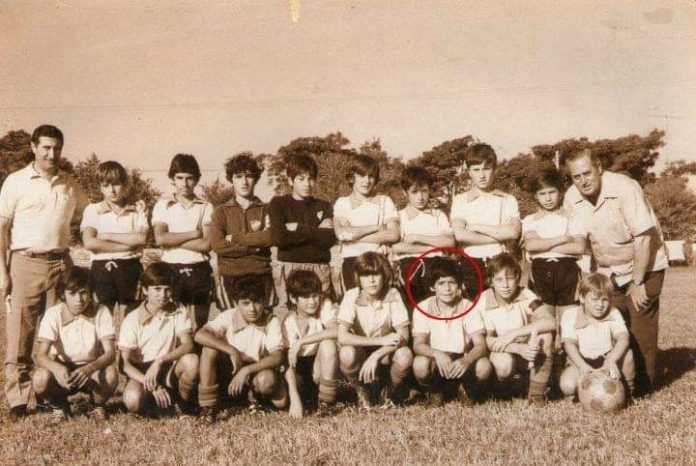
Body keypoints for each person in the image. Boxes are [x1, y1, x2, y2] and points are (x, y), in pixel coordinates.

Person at [0, 124, 88, 419]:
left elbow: (88, 215)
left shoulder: (70, 184)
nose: (52, 154)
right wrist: (3, 274)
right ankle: (18, 400)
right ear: (34, 148)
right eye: (46, 148)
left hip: (61, 264)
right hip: (25, 262)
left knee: (57, 332)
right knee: (21, 333)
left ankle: (50, 394)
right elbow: (2, 228)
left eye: (57, 148)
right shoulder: (16, 181)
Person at [563, 148, 668, 395]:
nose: (583, 181)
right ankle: (607, 383)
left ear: (599, 167)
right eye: (576, 176)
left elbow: (643, 238)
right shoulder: (571, 198)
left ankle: (641, 389)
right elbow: (580, 242)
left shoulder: (625, 187)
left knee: (640, 328)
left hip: (645, 264)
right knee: (611, 323)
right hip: (607, 269)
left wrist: (637, 282)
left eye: (587, 173)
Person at [195, 275, 287, 423]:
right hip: (230, 368)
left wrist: (246, 371)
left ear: (264, 301)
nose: (252, 309)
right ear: (236, 303)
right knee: (209, 349)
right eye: (246, 303)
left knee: (272, 389)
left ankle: (254, 400)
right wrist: (232, 350)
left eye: (257, 302)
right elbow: (200, 335)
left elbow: (277, 357)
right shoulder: (229, 316)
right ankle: (207, 407)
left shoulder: (271, 320)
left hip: (254, 369)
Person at [32, 267, 118, 423]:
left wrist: (89, 368)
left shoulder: (101, 311)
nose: (79, 299)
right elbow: (41, 355)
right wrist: (57, 368)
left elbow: (110, 353)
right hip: (63, 367)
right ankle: (59, 406)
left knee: (111, 374)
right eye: (72, 294)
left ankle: (95, 405)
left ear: (91, 292)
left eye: (84, 293)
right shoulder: (54, 313)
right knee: (40, 378)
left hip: (91, 368)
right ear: (62, 294)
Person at [471, 253, 555, 403]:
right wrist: (516, 348)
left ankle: (536, 395)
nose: (505, 285)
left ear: (518, 278)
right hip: (499, 352)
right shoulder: (482, 300)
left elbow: (550, 321)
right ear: (491, 281)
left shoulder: (526, 294)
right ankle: (500, 389)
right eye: (499, 280)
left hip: (525, 350)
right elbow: (485, 340)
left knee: (546, 336)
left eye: (509, 278)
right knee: (504, 364)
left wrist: (513, 334)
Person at [118, 263, 199, 415]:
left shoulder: (178, 309)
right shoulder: (132, 318)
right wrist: (152, 385)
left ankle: (182, 404)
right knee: (132, 400)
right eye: (157, 289)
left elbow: (188, 345)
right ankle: (152, 401)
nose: (163, 295)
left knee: (192, 361)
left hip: (167, 365)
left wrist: (160, 361)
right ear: (145, 290)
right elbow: (125, 365)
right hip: (142, 370)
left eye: (167, 289)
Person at [337, 252, 413, 409]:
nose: (371, 280)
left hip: (385, 351)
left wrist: (376, 355)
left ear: (384, 275)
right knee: (346, 353)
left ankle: (389, 392)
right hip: (361, 350)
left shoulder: (393, 294)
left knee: (405, 354)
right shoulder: (351, 295)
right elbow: (342, 337)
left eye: (376, 274)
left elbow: (404, 335)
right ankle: (360, 391)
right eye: (365, 275)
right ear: (358, 278)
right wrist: (379, 341)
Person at [411, 258, 492, 406]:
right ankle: (434, 390)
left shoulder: (468, 306)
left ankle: (468, 390)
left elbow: (481, 345)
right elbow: (418, 345)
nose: (447, 289)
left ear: (459, 285)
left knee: (484, 366)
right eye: (441, 283)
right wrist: (437, 354)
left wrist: (467, 360)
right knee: (420, 364)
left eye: (452, 282)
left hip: (462, 359)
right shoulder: (423, 307)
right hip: (437, 359)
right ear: (432, 287)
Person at [521, 168, 586, 350]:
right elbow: (531, 246)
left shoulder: (572, 217)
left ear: (560, 192)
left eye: (552, 192)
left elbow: (579, 248)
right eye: (542, 194)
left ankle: (568, 362)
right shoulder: (530, 219)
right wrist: (563, 238)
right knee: (544, 324)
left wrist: (544, 245)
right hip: (540, 272)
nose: (548, 198)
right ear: (536, 196)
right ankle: (546, 365)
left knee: (569, 324)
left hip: (567, 271)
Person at [81, 161, 148, 323]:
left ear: (125, 184)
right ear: (100, 187)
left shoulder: (137, 208)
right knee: (103, 318)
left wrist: (105, 235)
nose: (112, 190)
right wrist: (128, 245)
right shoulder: (93, 210)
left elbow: (141, 239)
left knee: (131, 318)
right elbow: (89, 243)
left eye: (116, 184)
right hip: (101, 269)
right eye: (106, 185)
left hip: (130, 267)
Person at [450, 144, 521, 300]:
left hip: (501, 263)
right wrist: (499, 235)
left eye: (486, 169)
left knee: (503, 306)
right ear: (469, 172)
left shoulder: (508, 199)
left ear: (494, 169)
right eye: (476, 170)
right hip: (471, 265)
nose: (482, 175)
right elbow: (461, 235)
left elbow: (513, 232)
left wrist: (476, 227)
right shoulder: (460, 200)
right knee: (474, 308)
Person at [152, 154, 213, 330]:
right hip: (170, 268)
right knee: (172, 322)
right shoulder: (163, 205)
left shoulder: (206, 206)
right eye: (179, 178)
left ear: (197, 179)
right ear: (172, 179)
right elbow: (160, 238)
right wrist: (193, 234)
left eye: (189, 178)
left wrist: (172, 239)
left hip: (199, 268)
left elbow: (206, 244)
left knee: (199, 324)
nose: (184, 184)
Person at [268, 154, 337, 311]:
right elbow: (279, 238)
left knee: (321, 312)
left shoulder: (324, 205)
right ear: (290, 180)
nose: (307, 184)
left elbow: (329, 238)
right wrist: (317, 231)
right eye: (301, 179)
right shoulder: (279, 203)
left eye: (311, 179)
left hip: (319, 269)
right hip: (290, 268)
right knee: (290, 313)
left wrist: (299, 228)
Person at [210, 154, 275, 308]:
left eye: (249, 176)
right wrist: (253, 247)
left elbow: (270, 238)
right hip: (231, 275)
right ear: (231, 179)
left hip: (260, 274)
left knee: (264, 320)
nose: (244, 182)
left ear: (256, 179)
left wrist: (233, 238)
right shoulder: (221, 211)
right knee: (231, 321)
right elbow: (218, 245)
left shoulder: (267, 209)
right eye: (238, 176)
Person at [559, 274, 635, 398]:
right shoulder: (570, 314)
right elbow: (569, 344)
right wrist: (582, 366)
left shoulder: (613, 312)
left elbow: (623, 338)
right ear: (582, 298)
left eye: (605, 300)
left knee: (628, 356)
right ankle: (583, 393)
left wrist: (611, 359)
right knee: (568, 386)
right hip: (581, 360)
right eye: (595, 299)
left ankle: (628, 393)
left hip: (607, 358)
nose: (600, 305)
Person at [333, 155, 400, 294]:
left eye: (371, 176)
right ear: (352, 177)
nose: (367, 181)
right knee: (355, 302)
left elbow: (394, 234)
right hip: (352, 262)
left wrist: (353, 235)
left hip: (378, 261)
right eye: (361, 175)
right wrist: (375, 228)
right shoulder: (342, 202)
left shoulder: (384, 201)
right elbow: (342, 234)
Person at [392, 166, 455, 306]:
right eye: (414, 192)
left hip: (435, 267)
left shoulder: (438, 215)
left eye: (424, 191)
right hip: (409, 267)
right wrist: (433, 247)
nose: (420, 197)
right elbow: (397, 247)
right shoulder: (399, 216)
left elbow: (449, 242)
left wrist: (417, 238)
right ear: (405, 192)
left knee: (435, 307)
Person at [282, 270, 339, 418]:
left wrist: (301, 342)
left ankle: (326, 402)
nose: (312, 301)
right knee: (281, 400)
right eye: (306, 297)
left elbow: (336, 330)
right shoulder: (288, 322)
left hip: (318, 366)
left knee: (328, 344)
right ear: (293, 298)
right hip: (297, 370)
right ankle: (301, 399)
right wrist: (294, 397)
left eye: (315, 295)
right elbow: (287, 363)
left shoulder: (324, 306)